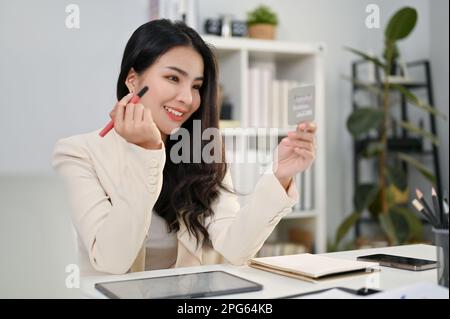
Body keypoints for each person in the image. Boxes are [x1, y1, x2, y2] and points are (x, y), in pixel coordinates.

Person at [52, 19, 317, 276]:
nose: (187, 98)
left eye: (196, 86)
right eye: (172, 78)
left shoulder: (199, 151)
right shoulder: (77, 153)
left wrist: (279, 177)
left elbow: (236, 249)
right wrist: (146, 152)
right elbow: (112, 261)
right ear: (132, 80)